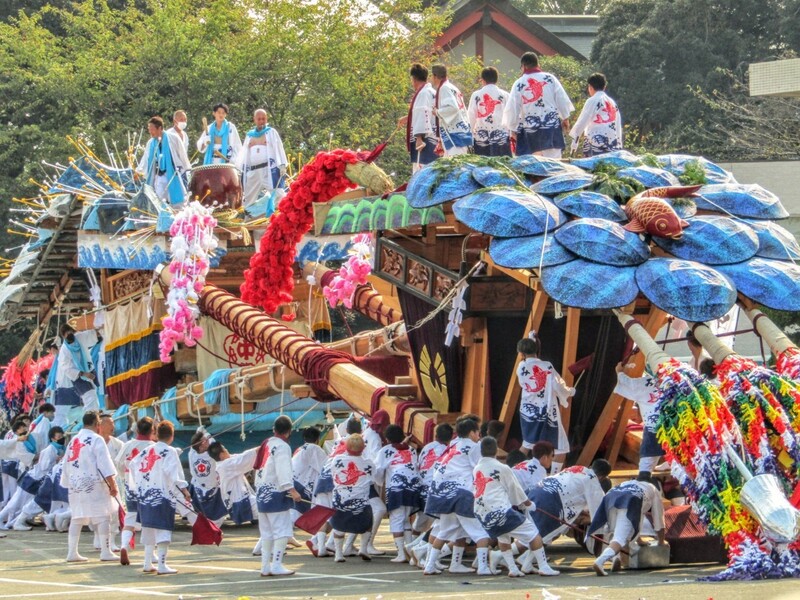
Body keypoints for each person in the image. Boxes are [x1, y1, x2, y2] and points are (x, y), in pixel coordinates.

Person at [473, 436, 559, 577]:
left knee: (503, 537)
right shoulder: (502, 467)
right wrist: (528, 504)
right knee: (534, 533)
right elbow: (515, 489)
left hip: (482, 512)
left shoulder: (477, 468)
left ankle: (513, 568)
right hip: (500, 510)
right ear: (496, 451)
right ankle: (543, 566)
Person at [423, 418, 488, 576]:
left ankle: (434, 565)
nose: (479, 434)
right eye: (477, 431)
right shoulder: (473, 447)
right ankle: (483, 567)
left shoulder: (453, 444)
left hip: (441, 491)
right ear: (472, 432)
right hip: (461, 493)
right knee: (481, 533)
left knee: (446, 531)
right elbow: (480, 469)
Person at [130, 420, 193, 575]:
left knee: (149, 528)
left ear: (157, 434)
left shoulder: (147, 450)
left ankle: (147, 563)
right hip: (162, 494)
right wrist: (185, 490)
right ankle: (162, 564)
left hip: (145, 494)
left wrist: (138, 484)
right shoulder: (169, 452)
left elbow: (132, 465)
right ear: (172, 436)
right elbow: (174, 474)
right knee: (163, 529)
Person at [60, 411, 119, 562]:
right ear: (97, 424)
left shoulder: (74, 440)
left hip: (76, 484)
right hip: (93, 483)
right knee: (103, 516)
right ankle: (105, 551)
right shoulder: (96, 439)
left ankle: (72, 552)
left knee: (77, 517)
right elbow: (104, 464)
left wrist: (67, 482)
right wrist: (112, 485)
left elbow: (65, 463)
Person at [516, 333, 575, 472]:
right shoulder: (547, 366)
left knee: (528, 443)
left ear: (521, 353)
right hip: (547, 410)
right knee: (561, 447)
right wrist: (570, 392)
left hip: (528, 411)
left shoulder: (521, 367)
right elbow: (558, 385)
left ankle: (514, 471)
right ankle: (553, 477)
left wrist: (531, 339)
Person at [587, 476, 666, 576]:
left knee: (616, 532)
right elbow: (659, 519)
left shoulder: (628, 483)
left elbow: (637, 521)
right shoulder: (653, 489)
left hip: (610, 497)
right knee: (619, 539)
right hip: (628, 501)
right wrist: (661, 541)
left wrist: (639, 540)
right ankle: (600, 561)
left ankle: (616, 558)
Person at [254, 415, 301, 576]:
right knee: (281, 531)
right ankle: (277, 564)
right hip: (275, 492)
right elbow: (284, 470)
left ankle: (265, 566)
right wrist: (292, 490)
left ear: (274, 429)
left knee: (266, 533)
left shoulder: (266, 443)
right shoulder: (282, 446)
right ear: (289, 432)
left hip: (262, 492)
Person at [503, 52, 574, 158]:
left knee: (531, 168)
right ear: (538, 64)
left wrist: (513, 128)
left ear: (523, 66)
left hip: (530, 131)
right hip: (551, 130)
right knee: (554, 166)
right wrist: (565, 118)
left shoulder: (519, 83)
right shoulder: (550, 79)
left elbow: (513, 109)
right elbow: (561, 100)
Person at [529, 460, 610, 546]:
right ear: (602, 477)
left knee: (534, 534)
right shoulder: (594, 483)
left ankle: (527, 558)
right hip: (552, 500)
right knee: (534, 539)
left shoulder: (577, 468)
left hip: (537, 489)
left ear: (591, 466)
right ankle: (516, 555)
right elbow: (599, 518)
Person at [374, 424, 422, 563]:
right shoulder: (411, 450)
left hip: (396, 489)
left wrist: (379, 481)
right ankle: (409, 551)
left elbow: (378, 471)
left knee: (396, 520)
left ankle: (401, 553)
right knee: (405, 519)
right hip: (413, 487)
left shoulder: (385, 451)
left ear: (387, 439)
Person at [2, 426, 64, 530]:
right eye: (59, 436)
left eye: (62, 436)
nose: (61, 438)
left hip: (37, 481)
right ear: (53, 438)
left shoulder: (57, 449)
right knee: (15, 503)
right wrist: (56, 461)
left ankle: (13, 523)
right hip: (32, 479)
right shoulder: (50, 450)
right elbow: (44, 467)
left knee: (25, 504)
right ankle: (4, 520)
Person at [115, 416, 156, 566]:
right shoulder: (153, 447)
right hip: (148, 487)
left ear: (137, 429)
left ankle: (124, 545)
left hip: (130, 486)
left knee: (130, 518)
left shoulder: (128, 445)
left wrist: (124, 476)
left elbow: (118, 462)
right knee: (149, 522)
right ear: (152, 431)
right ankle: (151, 553)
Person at [613, 362, 664, 479]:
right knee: (679, 458)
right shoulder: (676, 383)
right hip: (672, 426)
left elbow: (630, 384)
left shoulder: (646, 384)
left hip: (654, 427)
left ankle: (644, 479)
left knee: (646, 463)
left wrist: (619, 372)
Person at [330, 434, 376, 562]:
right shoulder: (368, 463)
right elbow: (372, 480)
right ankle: (363, 548)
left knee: (338, 526)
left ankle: (338, 554)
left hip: (340, 499)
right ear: (363, 448)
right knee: (367, 524)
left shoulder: (337, 459)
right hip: (361, 501)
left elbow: (333, 474)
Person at [235, 109, 288, 207]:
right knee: (247, 197)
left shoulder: (271, 132)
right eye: (259, 119)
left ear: (266, 119)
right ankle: (247, 219)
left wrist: (282, 165)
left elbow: (279, 147)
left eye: (263, 119)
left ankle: (281, 217)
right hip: (253, 171)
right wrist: (239, 168)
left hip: (268, 169)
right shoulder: (249, 135)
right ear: (254, 119)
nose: (261, 121)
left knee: (279, 194)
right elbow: (244, 153)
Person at [136, 116, 191, 205]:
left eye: (152, 129)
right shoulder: (151, 143)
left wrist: (184, 170)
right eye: (149, 129)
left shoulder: (173, 138)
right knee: (159, 199)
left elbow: (182, 155)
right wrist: (138, 171)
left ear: (160, 128)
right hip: (159, 175)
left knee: (176, 200)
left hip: (172, 173)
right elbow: (145, 158)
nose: (150, 132)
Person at [53, 324, 99, 427]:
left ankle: (94, 416)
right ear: (64, 337)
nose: (71, 337)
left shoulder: (79, 337)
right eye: (67, 335)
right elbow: (67, 369)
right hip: (78, 376)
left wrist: (98, 327)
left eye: (71, 333)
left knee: (94, 395)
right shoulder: (64, 351)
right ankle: (90, 422)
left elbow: (93, 335)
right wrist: (83, 374)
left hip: (89, 369)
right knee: (89, 396)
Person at [568, 73, 622, 157]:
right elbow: (618, 125)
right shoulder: (612, 103)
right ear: (604, 87)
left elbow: (582, 122)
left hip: (595, 144)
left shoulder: (592, 100)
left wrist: (574, 144)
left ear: (590, 87)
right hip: (612, 145)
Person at [397, 63, 438, 172]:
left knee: (421, 171)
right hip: (434, 136)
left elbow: (422, 113)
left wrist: (419, 138)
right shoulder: (433, 92)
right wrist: (408, 118)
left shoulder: (423, 93)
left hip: (425, 138)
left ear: (414, 79)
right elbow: (427, 112)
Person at [208, 441, 258, 526]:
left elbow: (239, 457)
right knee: (271, 508)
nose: (227, 450)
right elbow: (244, 458)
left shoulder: (223, 464)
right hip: (240, 502)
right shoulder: (226, 465)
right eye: (225, 449)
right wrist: (263, 446)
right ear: (221, 455)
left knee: (269, 516)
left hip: (239, 501)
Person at [431, 64, 473, 156]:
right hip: (459, 130)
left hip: (455, 134)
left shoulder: (444, 88)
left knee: (457, 166)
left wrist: (437, 112)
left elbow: (453, 108)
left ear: (435, 76)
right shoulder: (452, 87)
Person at [468, 67, 511, 157]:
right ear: (496, 79)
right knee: (503, 166)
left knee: (483, 167)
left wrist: (469, 134)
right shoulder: (505, 95)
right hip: (501, 136)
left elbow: (471, 116)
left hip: (481, 137)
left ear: (482, 80)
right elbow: (510, 115)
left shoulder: (476, 95)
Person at [188, 429, 227, 524]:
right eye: (205, 440)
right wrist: (206, 432)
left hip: (199, 488)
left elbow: (194, 445)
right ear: (201, 446)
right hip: (212, 488)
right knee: (216, 520)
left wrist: (200, 431)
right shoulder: (210, 456)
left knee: (204, 518)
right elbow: (217, 445)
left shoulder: (191, 453)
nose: (207, 440)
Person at [292, 427, 327, 527]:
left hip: (293, 482)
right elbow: (325, 468)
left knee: (292, 515)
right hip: (301, 485)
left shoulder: (300, 449)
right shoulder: (315, 448)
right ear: (317, 439)